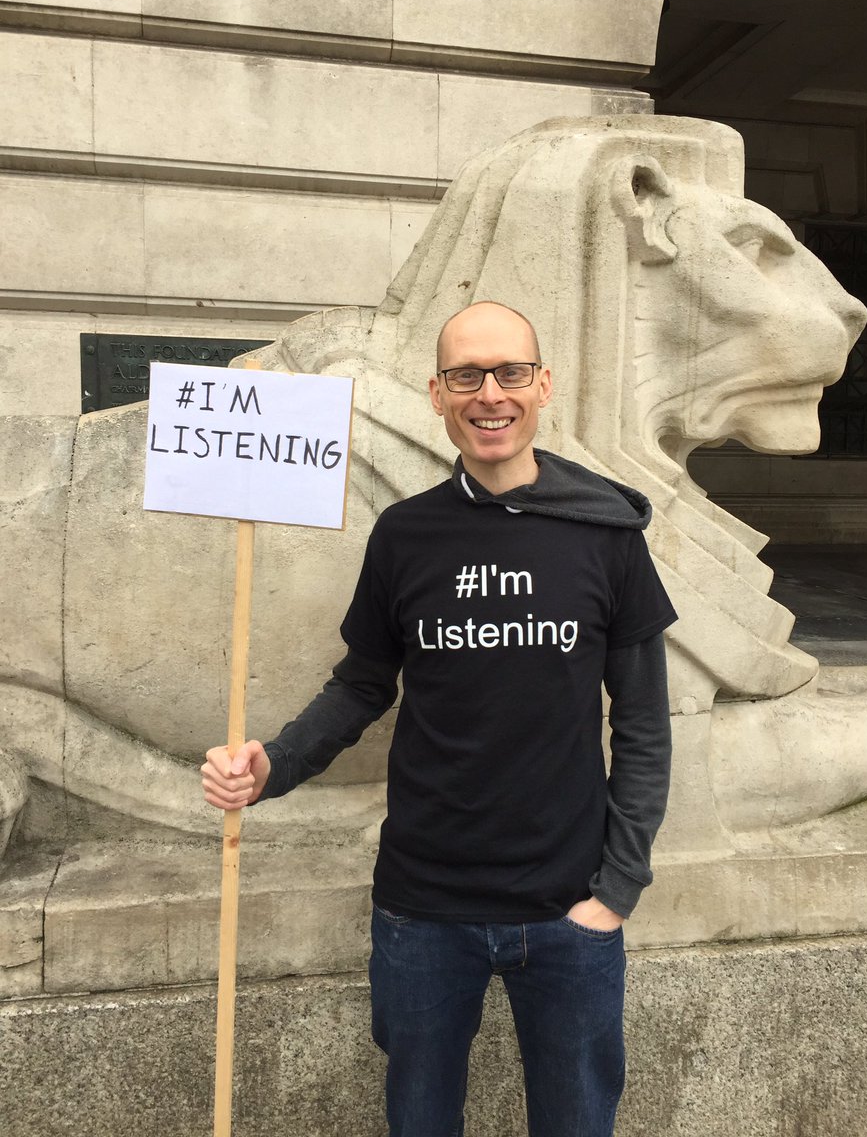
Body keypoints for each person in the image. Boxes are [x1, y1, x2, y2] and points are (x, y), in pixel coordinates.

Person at [201, 300, 677, 1137]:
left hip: (568, 909)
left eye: (510, 372)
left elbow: (643, 722)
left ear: (543, 385)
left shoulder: (607, 534)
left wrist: (617, 888)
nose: (489, 394)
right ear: (436, 393)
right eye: (466, 375)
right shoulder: (404, 534)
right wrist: (272, 764)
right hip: (422, 910)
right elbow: (361, 685)